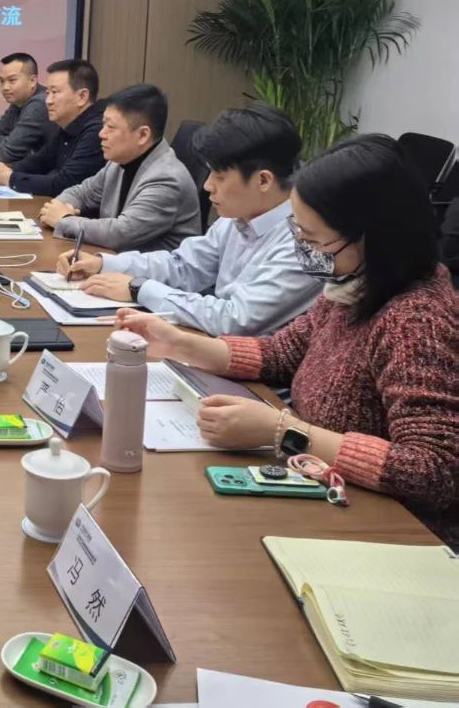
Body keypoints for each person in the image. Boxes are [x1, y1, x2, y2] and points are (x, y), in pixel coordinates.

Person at [116, 135, 459, 534]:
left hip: (379, 527)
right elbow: (283, 352)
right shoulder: (355, 284)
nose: (304, 249)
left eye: (313, 239)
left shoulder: (417, 320)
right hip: (319, 490)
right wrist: (179, 343)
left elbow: (433, 470)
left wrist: (284, 432)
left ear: (373, 237)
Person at [57, 104, 321, 335]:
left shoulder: (307, 242)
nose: (207, 186)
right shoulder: (237, 217)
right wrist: (105, 264)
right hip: (210, 349)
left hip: (256, 371)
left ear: (263, 180)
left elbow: (236, 319)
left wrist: (139, 289)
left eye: (219, 176)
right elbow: (183, 266)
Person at [39, 83, 200, 252]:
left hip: (147, 267)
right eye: (103, 124)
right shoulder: (119, 161)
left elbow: (120, 234)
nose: (101, 134)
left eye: (110, 127)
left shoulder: (167, 179)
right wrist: (57, 207)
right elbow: (82, 193)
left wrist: (63, 220)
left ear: (143, 135)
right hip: (115, 260)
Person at [0, 59, 106, 197]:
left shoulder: (97, 131)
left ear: (82, 96)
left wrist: (9, 178)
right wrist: (5, 169)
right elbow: (42, 160)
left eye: (55, 92)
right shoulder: (69, 124)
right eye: (48, 92)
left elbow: (65, 183)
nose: (48, 101)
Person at [0, 52, 49, 163]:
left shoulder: (39, 104)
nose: (5, 87)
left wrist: (12, 144)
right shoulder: (18, 102)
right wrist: (12, 142)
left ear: (33, 81)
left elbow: (8, 152)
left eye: (12, 80)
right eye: (2, 81)